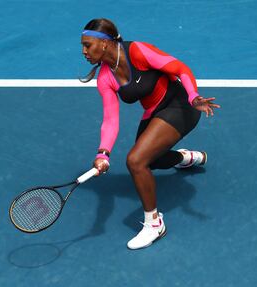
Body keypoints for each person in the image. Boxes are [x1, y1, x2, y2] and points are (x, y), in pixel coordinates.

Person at [80, 18, 220, 250]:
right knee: (151, 161)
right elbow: (111, 119)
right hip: (155, 113)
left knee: (136, 161)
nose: (84, 51)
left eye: (88, 45)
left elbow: (180, 68)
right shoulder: (105, 77)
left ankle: (154, 224)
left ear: (104, 44)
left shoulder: (137, 51)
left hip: (181, 105)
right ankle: (186, 158)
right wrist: (103, 153)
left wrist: (193, 96)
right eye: (82, 46)